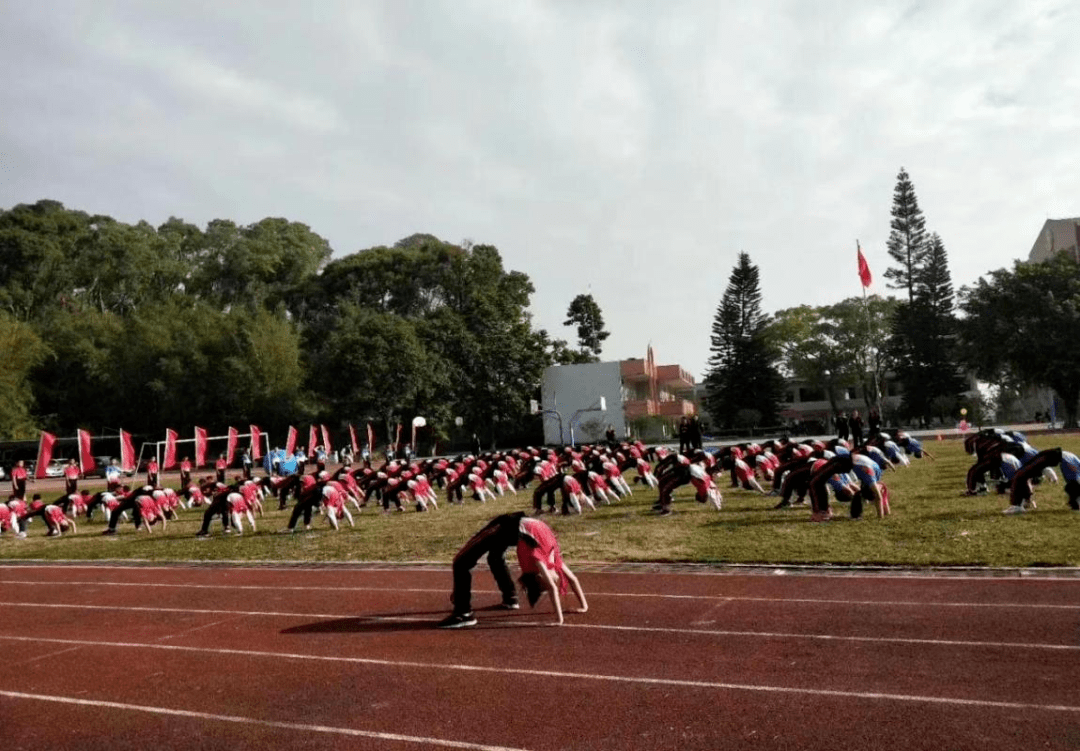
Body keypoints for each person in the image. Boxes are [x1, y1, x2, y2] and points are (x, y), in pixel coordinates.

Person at [438, 511, 527, 628]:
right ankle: (510, 597)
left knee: (461, 562)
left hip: (508, 524)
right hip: (520, 524)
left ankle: (463, 613)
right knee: (495, 557)